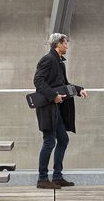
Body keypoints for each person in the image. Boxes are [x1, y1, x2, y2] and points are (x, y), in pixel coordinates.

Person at [32, 33, 88, 189]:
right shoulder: (48, 59)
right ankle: (42, 179)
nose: (67, 46)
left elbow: (64, 85)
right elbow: (38, 81)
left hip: (55, 109)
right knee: (49, 141)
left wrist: (78, 89)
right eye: (65, 43)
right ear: (58, 44)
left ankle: (57, 176)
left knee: (63, 140)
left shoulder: (59, 62)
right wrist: (54, 96)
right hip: (47, 108)